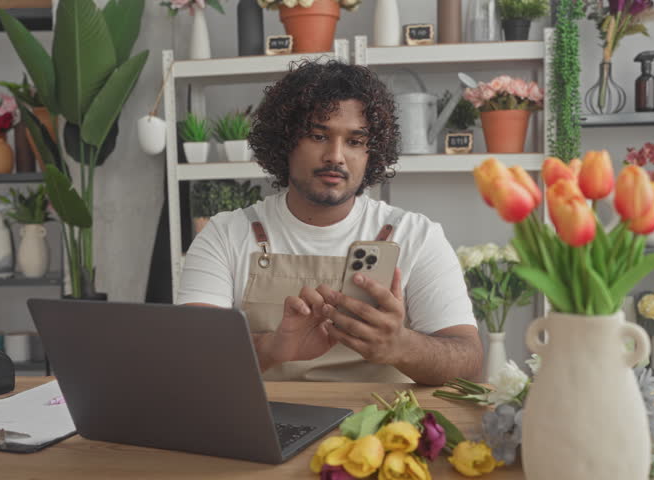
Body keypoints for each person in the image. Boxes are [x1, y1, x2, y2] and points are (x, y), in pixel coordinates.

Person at [178, 60, 483, 385]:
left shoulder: (416, 236)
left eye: (354, 141)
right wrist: (271, 348)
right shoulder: (226, 235)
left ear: (372, 152)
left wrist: (400, 346)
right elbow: (193, 357)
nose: (335, 156)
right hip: (268, 427)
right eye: (317, 135)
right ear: (285, 143)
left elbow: (468, 359)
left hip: (382, 431)